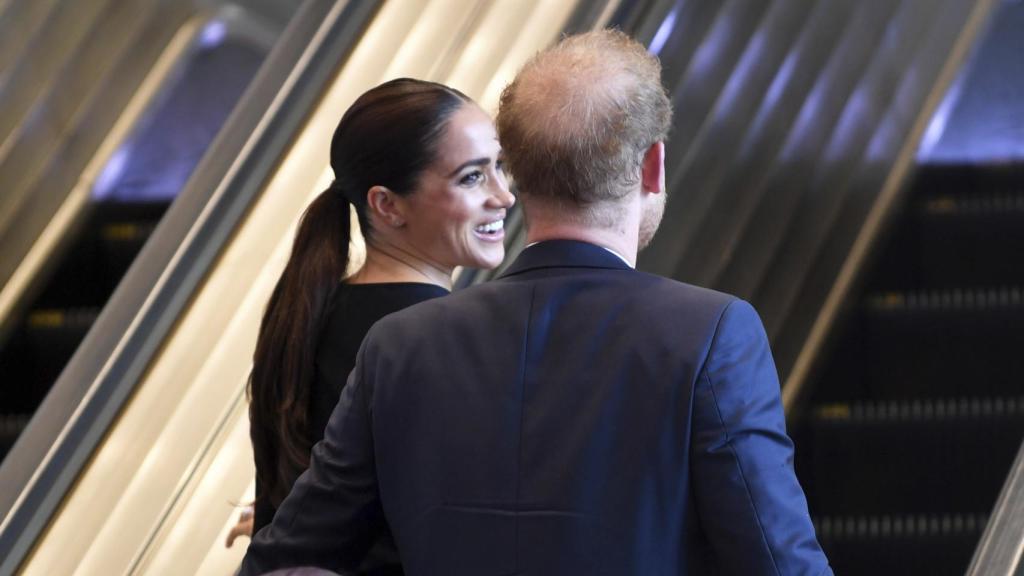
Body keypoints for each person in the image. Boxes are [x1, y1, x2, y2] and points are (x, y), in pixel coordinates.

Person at [241, 30, 832, 575]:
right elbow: (778, 561)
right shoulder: (712, 334)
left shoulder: (399, 345)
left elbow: (282, 559)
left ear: (517, 172)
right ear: (653, 165)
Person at [240, 78, 514, 573]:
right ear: (387, 205)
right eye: (472, 178)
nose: (504, 196)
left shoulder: (313, 311)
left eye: (500, 168)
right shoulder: (435, 336)